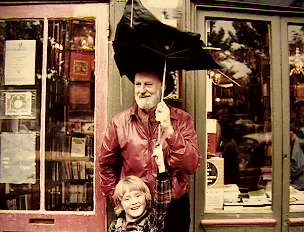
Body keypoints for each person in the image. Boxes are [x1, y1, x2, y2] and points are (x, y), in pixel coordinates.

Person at [98, 71, 202, 232]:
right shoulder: (120, 122)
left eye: (148, 84)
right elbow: (106, 165)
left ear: (163, 87)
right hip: (136, 210)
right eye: (138, 84)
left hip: (173, 208)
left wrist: (169, 129)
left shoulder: (182, 120)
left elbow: (191, 165)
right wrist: (118, 200)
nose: (142, 90)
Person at [108, 144, 171, 232]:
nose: (134, 202)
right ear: (120, 203)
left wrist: (161, 166)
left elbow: (163, 200)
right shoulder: (115, 227)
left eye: (137, 196)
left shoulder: (152, 221)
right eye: (127, 199)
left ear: (146, 197)